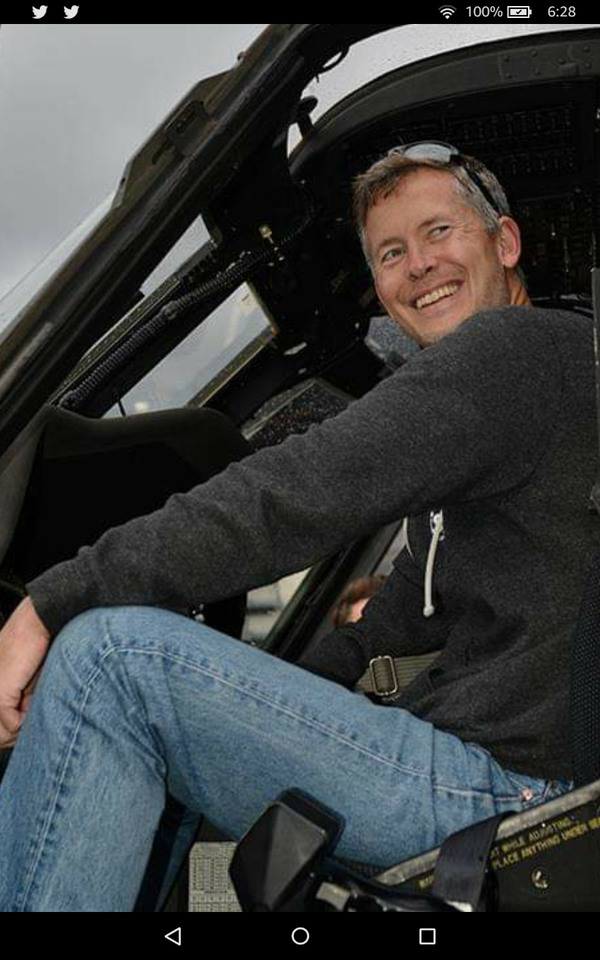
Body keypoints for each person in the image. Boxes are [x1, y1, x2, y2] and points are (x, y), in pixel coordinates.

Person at [0, 142, 595, 912]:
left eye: (439, 232)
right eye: (391, 253)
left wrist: (51, 603)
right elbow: (385, 630)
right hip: (481, 774)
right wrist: (266, 691)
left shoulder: (514, 353)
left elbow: (297, 492)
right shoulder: (498, 433)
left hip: (514, 798)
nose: (419, 265)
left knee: (111, 659)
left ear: (504, 243)